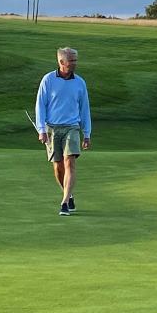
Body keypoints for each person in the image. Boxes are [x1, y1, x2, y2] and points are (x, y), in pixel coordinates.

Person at [35, 47, 93, 215]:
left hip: (72, 128)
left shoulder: (80, 82)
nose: (75, 63)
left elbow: (85, 109)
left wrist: (87, 133)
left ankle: (65, 203)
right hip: (52, 129)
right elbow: (40, 106)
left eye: (76, 60)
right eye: (72, 60)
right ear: (61, 62)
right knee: (58, 167)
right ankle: (69, 194)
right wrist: (41, 129)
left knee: (70, 162)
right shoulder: (48, 80)